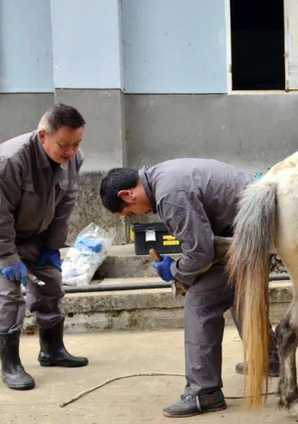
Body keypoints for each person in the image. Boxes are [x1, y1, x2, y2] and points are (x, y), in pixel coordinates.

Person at [100, 159, 279, 418]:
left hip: (253, 233)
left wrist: (175, 272)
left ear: (127, 194)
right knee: (237, 292)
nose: (140, 214)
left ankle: (204, 393)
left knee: (201, 302)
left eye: (130, 212)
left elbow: (201, 252)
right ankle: (268, 359)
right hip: (253, 229)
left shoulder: (169, 194)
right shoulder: (165, 175)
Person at [0, 104, 88, 391]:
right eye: (64, 145)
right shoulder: (10, 161)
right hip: (3, 237)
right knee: (8, 297)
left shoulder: (74, 158)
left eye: (77, 143)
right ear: (42, 136)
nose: (71, 152)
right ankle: (10, 364)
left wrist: (53, 247)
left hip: (37, 235)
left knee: (51, 284)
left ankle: (52, 351)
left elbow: (66, 203)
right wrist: (7, 256)